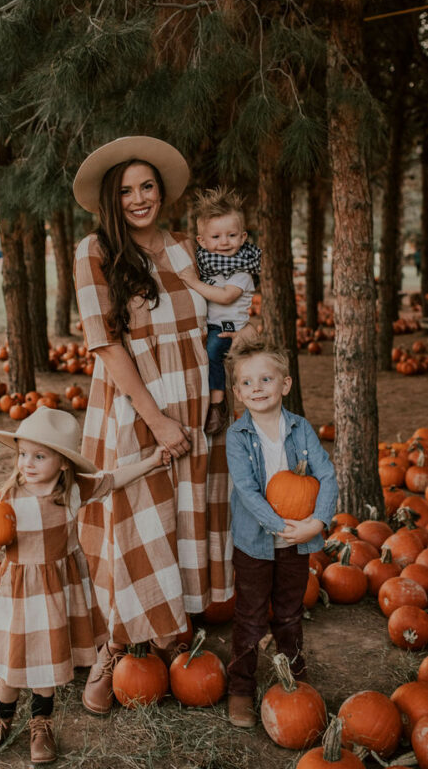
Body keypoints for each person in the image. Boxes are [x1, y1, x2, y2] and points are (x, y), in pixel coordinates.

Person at [72, 136, 234, 715]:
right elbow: (105, 345)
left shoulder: (190, 249)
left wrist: (220, 390)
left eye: (147, 186)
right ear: (111, 202)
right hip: (134, 403)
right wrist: (157, 419)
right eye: (126, 191)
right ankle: (113, 648)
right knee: (131, 518)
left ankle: (169, 634)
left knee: (181, 513)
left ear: (161, 191)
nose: (139, 199)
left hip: (193, 398)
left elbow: (224, 322)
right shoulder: (93, 251)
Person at [0, 407, 170, 762]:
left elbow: (114, 479)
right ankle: (0, 720)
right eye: (23, 454)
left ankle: (40, 723)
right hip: (19, 591)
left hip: (55, 592)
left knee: (45, 661)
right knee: (12, 664)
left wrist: (153, 461)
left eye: (39, 456)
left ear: (63, 462)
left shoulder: (74, 491)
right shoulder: (8, 495)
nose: (27, 463)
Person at [224, 332, 338, 728]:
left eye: (266, 379)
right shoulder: (237, 437)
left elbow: (327, 474)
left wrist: (316, 524)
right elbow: (247, 492)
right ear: (237, 392)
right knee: (251, 616)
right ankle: (240, 687)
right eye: (247, 382)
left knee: (289, 613)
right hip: (255, 543)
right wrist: (282, 526)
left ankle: (294, 678)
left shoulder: (301, 429)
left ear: (285, 384)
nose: (257, 388)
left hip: (299, 542)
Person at [179, 187, 261, 435]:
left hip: (228, 327)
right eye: (216, 237)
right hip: (210, 323)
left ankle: (217, 404)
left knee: (213, 352)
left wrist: (193, 282)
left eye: (232, 235)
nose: (224, 242)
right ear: (202, 241)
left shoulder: (242, 270)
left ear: (243, 236)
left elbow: (226, 297)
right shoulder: (209, 266)